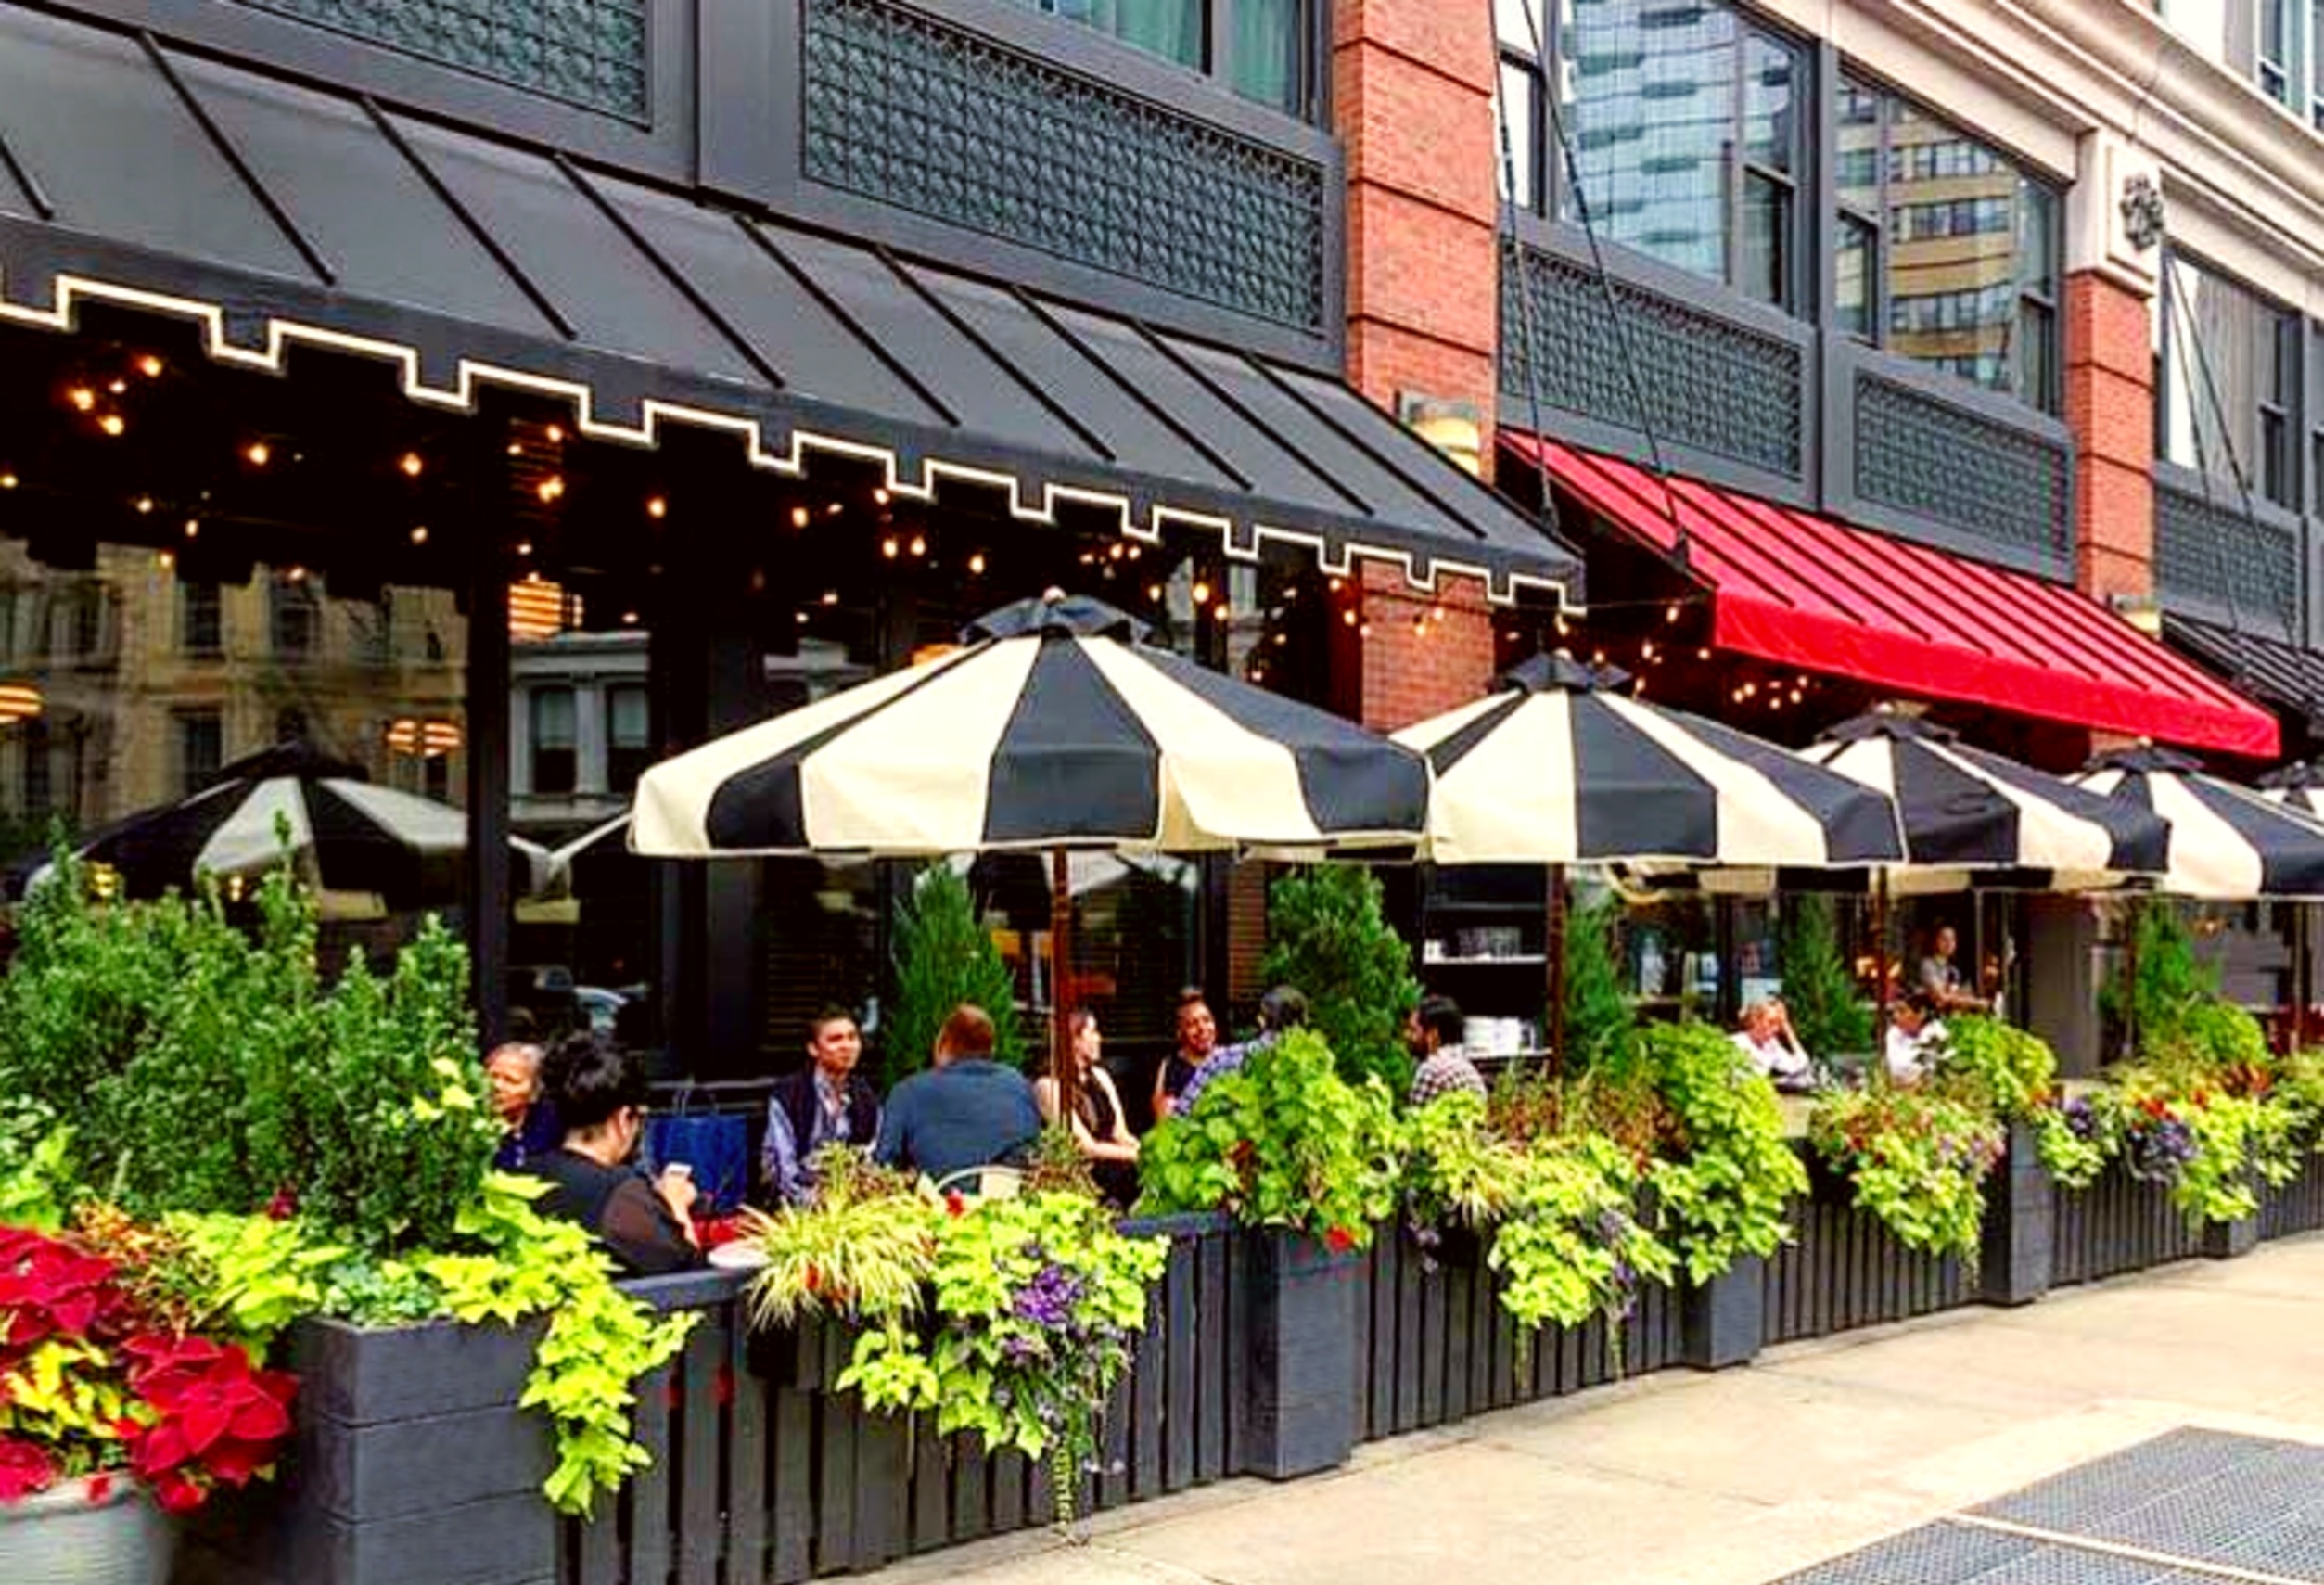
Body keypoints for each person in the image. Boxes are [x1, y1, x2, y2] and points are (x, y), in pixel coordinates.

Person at [526, 1034, 702, 1276]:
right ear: (623, 1119)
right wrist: (676, 1203)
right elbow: (687, 1275)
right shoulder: (621, 1193)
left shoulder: (522, 1175)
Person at [874, 1003, 1042, 1184]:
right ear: (992, 1049)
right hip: (1011, 1205)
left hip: (937, 1208)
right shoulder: (1019, 1084)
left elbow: (885, 1169)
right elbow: (1033, 1151)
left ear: (942, 1044)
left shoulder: (907, 1092)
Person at [761, 1006, 883, 1207]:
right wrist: (817, 1202)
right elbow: (782, 1169)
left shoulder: (866, 1096)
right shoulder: (788, 1096)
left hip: (850, 1203)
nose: (847, 1046)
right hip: (795, 1206)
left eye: (852, 1037)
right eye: (835, 1039)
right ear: (813, 1049)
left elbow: (872, 1155)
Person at [1033, 1009, 1140, 1205]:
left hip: (1118, 1163)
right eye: (1093, 1032)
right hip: (1083, 1173)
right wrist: (1135, 1156)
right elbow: (1086, 1148)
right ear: (1074, 1040)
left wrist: (1147, 1152)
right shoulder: (1049, 1086)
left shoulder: (1101, 1076)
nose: (1099, 1038)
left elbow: (1121, 1134)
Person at [1176, 985, 1307, 1114]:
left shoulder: (1221, 1058)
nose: (1202, 1028)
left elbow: (1181, 1114)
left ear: (1261, 1020)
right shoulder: (1314, 1067)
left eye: (1207, 1020)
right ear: (1302, 1023)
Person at [486, 1040, 560, 1170]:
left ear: (534, 1092)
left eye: (511, 1080)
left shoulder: (550, 1122)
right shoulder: (469, 1126)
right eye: (492, 1076)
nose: (496, 1086)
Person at [1407, 994, 1487, 1106]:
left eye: (1413, 1030)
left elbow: (1414, 1119)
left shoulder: (1431, 1070)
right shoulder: (1469, 1070)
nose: (1407, 1036)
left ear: (1433, 1035)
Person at [1152, 989, 1217, 1121]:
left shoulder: (1228, 1059)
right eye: (1192, 1024)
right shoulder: (1171, 1066)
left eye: (1207, 1020)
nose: (1202, 1028)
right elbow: (1164, 1120)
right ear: (1180, 1032)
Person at [1731, 997, 1814, 1091]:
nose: (1776, 1029)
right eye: (1771, 1022)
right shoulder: (1738, 1043)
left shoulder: (1771, 1046)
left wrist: (1788, 1031)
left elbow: (1799, 1065)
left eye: (1779, 1024)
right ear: (1755, 1020)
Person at [1917, 925, 1987, 1015]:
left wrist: (1960, 998)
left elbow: (1955, 994)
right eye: (1944, 939)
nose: (1949, 943)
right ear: (1934, 941)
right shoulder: (1927, 965)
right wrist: (1975, 1003)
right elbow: (1940, 998)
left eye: (1952, 940)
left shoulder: (1953, 970)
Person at [1884, 995, 1949, 1084]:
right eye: (1894, 1012)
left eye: (1902, 1011)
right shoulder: (1893, 1034)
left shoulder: (1937, 1033)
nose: (1896, 1016)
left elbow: (1928, 1074)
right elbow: (1893, 1071)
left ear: (1921, 1013)